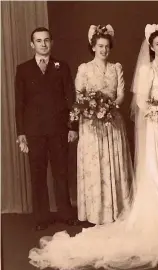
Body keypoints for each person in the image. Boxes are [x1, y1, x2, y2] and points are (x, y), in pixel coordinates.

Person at [28, 23, 158, 270]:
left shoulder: (156, 68)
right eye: (157, 44)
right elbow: (132, 99)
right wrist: (157, 113)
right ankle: (97, 212)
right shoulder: (97, 69)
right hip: (132, 125)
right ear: (151, 46)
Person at [15, 27, 79, 231]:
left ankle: (65, 213)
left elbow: (71, 98)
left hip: (59, 129)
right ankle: (41, 217)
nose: (43, 44)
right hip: (34, 131)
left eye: (46, 40)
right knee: (38, 175)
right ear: (32, 44)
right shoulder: (23, 69)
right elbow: (20, 104)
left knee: (61, 173)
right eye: (38, 41)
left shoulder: (62, 67)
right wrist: (21, 133)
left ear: (51, 43)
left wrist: (73, 126)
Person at [75, 25, 133, 225]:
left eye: (107, 46)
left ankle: (117, 208)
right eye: (100, 46)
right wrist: (93, 109)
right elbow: (79, 95)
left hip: (112, 121)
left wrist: (110, 107)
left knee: (113, 161)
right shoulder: (84, 68)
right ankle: (96, 212)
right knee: (95, 163)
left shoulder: (116, 68)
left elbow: (121, 94)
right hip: (91, 123)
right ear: (93, 47)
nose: (104, 50)